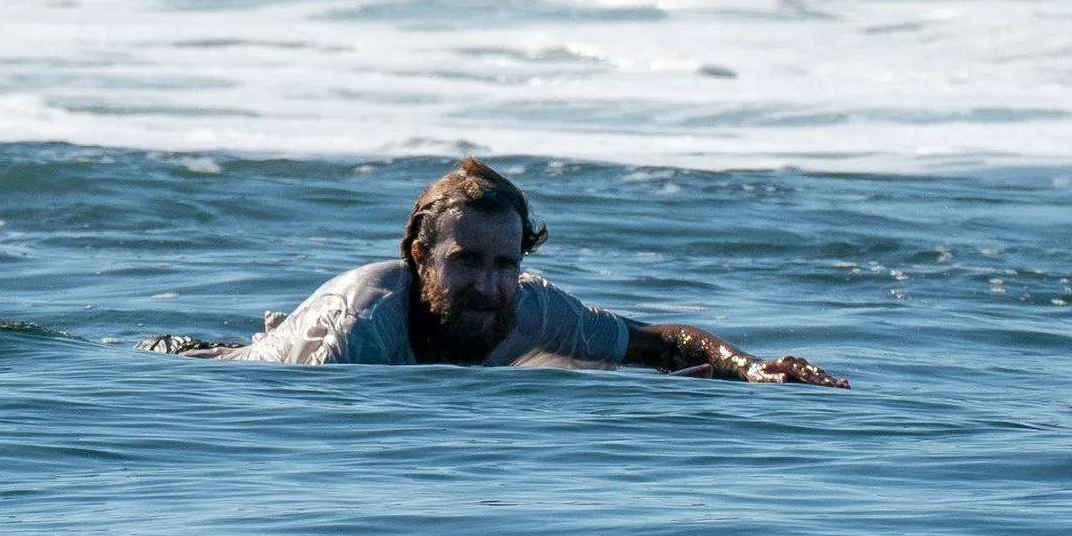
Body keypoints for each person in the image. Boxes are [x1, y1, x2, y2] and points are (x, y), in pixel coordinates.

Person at [156, 157, 842, 381]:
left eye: (504, 264)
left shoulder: (532, 307)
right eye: (466, 263)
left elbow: (665, 344)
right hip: (215, 367)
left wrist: (752, 370)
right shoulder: (361, 326)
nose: (489, 286)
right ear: (419, 258)